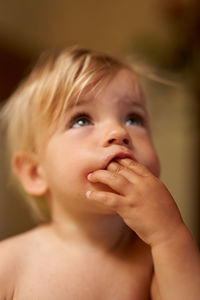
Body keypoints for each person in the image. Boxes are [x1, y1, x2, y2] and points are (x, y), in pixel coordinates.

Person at [0, 46, 199, 300]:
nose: (119, 131)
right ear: (35, 173)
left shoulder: (158, 260)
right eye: (81, 119)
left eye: (133, 119)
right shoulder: (9, 264)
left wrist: (169, 235)